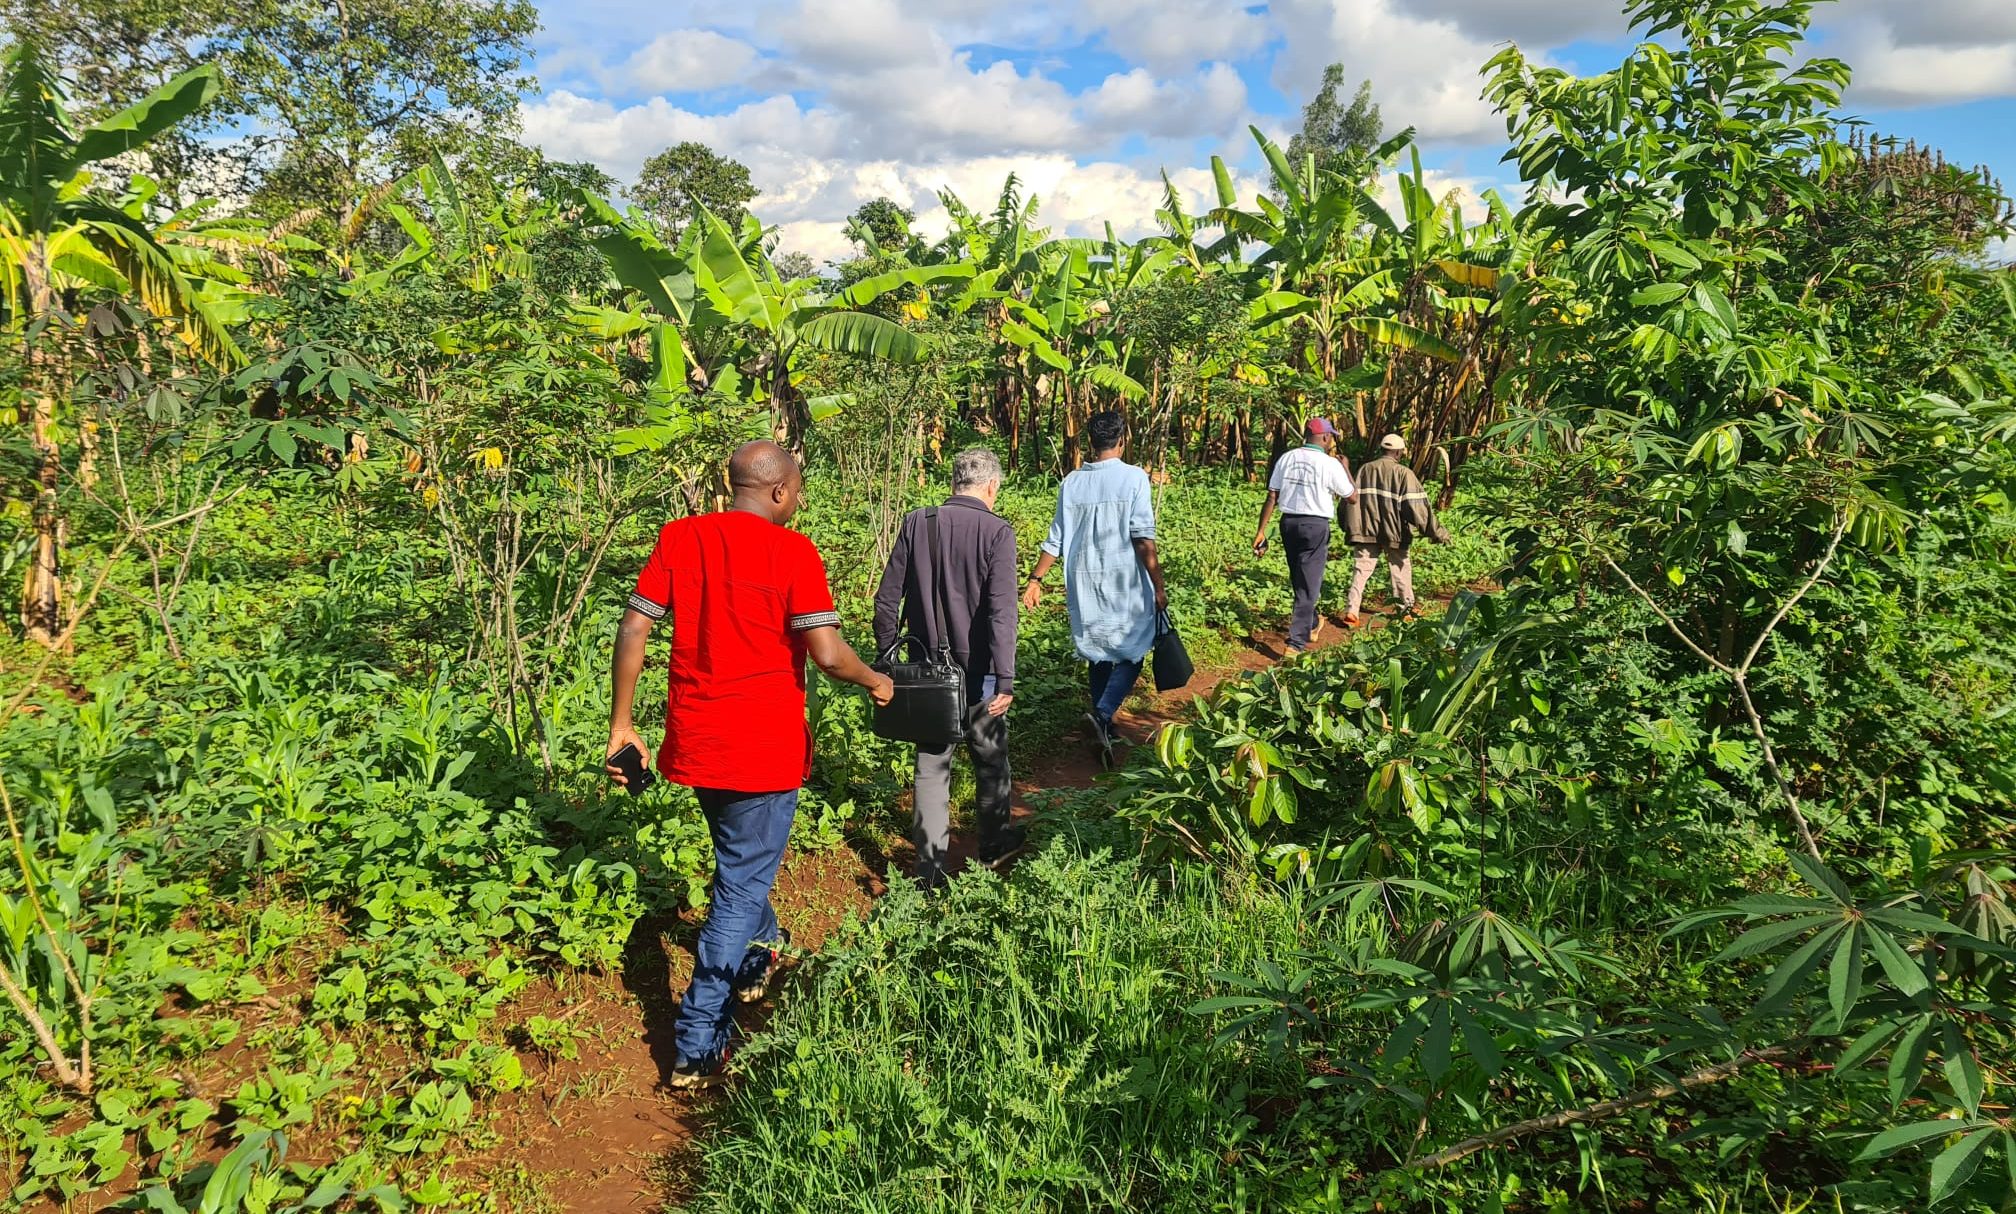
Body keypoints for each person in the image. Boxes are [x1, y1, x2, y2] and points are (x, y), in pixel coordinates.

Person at [604, 440, 893, 1089]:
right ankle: (698, 1038)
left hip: (698, 744)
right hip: (763, 751)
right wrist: (875, 679)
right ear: (780, 492)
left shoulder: (680, 537)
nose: (802, 500)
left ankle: (758, 953)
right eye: (800, 490)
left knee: (740, 865)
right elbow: (826, 652)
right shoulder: (793, 551)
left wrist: (623, 724)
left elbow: (633, 627)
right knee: (737, 887)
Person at [872, 448, 1024, 886]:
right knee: (990, 759)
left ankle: (930, 872)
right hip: (980, 677)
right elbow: (1001, 612)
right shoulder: (997, 532)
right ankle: (994, 845)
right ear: (991, 486)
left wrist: (888, 662)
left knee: (931, 768)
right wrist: (1006, 676)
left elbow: (886, 601)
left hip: (927, 676)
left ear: (954, 481)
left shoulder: (919, 523)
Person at [1021, 410, 1167, 767]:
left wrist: (1035, 580)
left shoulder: (1072, 482)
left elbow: (1055, 538)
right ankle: (1102, 716)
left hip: (1084, 580)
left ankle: (1105, 726)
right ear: (1122, 440)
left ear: (1090, 442)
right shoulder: (1134, 478)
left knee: (1098, 648)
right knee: (1135, 651)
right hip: (1125, 580)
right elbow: (1143, 538)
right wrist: (1158, 585)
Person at [1252, 417, 1357, 654]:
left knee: (1300, 578)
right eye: (1331, 438)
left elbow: (1272, 496)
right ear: (1326, 437)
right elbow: (1352, 496)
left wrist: (1261, 530)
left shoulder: (1287, 458)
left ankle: (1311, 622)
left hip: (1288, 523)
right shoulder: (1330, 464)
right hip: (1315, 525)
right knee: (1309, 585)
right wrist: (1346, 468)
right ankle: (1296, 644)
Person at [1340, 433, 1445, 626]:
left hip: (1365, 531)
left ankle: (1352, 611)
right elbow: (1418, 509)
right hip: (1394, 533)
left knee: (1361, 570)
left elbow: (1348, 499)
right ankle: (1405, 610)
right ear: (1398, 453)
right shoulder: (1404, 473)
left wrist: (1347, 525)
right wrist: (1435, 532)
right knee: (1400, 570)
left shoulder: (1365, 469)